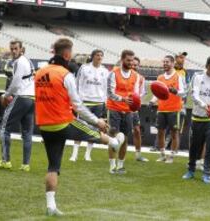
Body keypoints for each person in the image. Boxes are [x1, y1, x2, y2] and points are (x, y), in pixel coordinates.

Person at [34, 38, 124, 216]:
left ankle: (51, 206)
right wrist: (96, 120)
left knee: (53, 166)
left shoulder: (40, 72)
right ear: (67, 54)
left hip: (44, 125)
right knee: (93, 132)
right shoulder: (65, 74)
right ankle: (114, 142)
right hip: (62, 122)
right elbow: (78, 105)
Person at [0, 40, 35, 172]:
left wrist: (5, 95)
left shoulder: (19, 62)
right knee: (27, 133)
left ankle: (6, 161)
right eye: (12, 49)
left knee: (4, 128)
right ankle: (25, 164)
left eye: (16, 48)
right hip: (32, 98)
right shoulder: (28, 61)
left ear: (21, 49)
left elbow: (16, 83)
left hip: (21, 96)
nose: (13, 51)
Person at [182, 56, 210, 184]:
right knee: (195, 146)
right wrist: (204, 105)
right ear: (206, 66)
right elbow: (194, 95)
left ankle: (206, 173)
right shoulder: (198, 77)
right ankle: (191, 170)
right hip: (198, 116)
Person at [69, 49, 109, 162]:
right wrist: (77, 99)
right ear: (93, 56)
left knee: (95, 128)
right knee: (80, 127)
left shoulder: (105, 71)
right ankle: (74, 154)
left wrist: (105, 102)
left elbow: (105, 88)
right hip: (85, 102)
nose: (99, 57)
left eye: (101, 55)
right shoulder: (84, 68)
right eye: (97, 55)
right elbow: (78, 83)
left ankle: (88, 154)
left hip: (98, 103)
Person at [107, 49, 141, 174]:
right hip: (114, 108)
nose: (131, 62)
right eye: (128, 60)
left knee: (125, 139)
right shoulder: (113, 73)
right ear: (122, 60)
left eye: (132, 60)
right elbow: (110, 93)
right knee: (113, 138)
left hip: (128, 111)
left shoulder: (136, 76)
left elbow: (136, 94)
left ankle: (120, 165)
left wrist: (136, 105)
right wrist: (123, 99)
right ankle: (112, 165)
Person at [150, 55, 186, 164]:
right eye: (164, 62)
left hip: (175, 109)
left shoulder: (178, 76)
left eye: (167, 62)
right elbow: (157, 93)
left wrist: (175, 91)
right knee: (161, 132)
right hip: (162, 109)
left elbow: (183, 92)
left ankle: (172, 156)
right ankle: (162, 154)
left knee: (175, 133)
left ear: (173, 63)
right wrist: (152, 101)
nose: (165, 64)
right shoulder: (160, 77)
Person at [131, 56, 148, 162]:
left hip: (133, 108)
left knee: (137, 130)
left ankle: (138, 154)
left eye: (135, 64)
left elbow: (142, 93)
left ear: (138, 66)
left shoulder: (141, 78)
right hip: (121, 106)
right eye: (132, 64)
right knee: (119, 131)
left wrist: (136, 100)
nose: (133, 66)